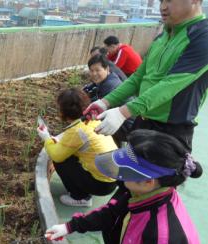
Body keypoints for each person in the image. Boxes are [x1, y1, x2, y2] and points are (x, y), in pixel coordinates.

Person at [46, 129, 208, 244]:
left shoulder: (162, 235)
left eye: (127, 170)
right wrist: (69, 226)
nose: (120, 173)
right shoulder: (147, 193)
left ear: (147, 181)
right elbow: (110, 212)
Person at [86, 0, 208, 152]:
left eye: (169, 0)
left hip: (170, 130)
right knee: (129, 172)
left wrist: (122, 112)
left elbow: (170, 84)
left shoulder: (202, 37)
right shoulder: (163, 36)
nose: (163, 6)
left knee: (152, 175)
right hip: (142, 120)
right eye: (161, 1)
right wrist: (105, 102)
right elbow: (138, 77)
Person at [37, 88, 117, 207]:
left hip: (102, 185)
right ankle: (85, 189)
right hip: (113, 179)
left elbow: (56, 156)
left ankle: (81, 197)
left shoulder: (76, 130)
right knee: (68, 154)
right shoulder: (92, 121)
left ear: (63, 111)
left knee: (62, 161)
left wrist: (46, 139)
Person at [83, 55, 134, 146]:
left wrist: (77, 122)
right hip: (123, 122)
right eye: (91, 70)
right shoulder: (108, 78)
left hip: (126, 127)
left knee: (91, 124)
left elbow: (96, 111)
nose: (94, 74)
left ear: (107, 69)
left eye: (98, 70)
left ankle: (112, 146)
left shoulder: (110, 85)